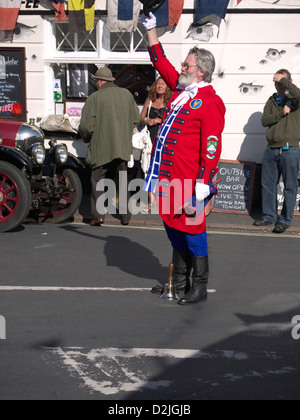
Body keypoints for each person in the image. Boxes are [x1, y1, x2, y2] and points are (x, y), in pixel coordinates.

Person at [141, 13, 226, 305]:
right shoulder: (182, 91)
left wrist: (204, 185)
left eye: (187, 65)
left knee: (193, 233)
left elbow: (211, 148)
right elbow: (160, 62)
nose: (181, 68)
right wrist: (151, 30)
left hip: (190, 184)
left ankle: (199, 287)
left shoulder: (210, 101)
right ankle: (177, 282)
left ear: (201, 71)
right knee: (173, 229)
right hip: (168, 180)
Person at [79, 67, 140, 226]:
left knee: (97, 180)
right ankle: (125, 217)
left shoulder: (95, 98)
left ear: (99, 82)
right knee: (123, 180)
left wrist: (87, 138)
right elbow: (135, 119)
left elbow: (86, 127)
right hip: (122, 146)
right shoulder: (126, 95)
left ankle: (98, 216)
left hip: (101, 147)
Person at [254, 69, 300, 233]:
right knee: (267, 185)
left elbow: (297, 94)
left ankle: (285, 220)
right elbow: (264, 120)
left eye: (281, 81)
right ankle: (269, 216)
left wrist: (285, 81)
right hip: (271, 149)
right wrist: (281, 113)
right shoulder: (272, 100)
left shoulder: (295, 98)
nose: (278, 85)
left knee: (290, 186)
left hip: (290, 149)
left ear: (289, 82)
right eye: (276, 81)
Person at [140, 77, 173, 212]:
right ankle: (151, 201)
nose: (160, 86)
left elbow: (173, 118)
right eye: (158, 83)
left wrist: (161, 120)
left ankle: (164, 200)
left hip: (164, 140)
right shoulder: (150, 99)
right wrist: (148, 120)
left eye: (163, 84)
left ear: (167, 87)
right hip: (150, 138)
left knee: (163, 170)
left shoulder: (170, 101)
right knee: (149, 169)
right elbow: (141, 117)